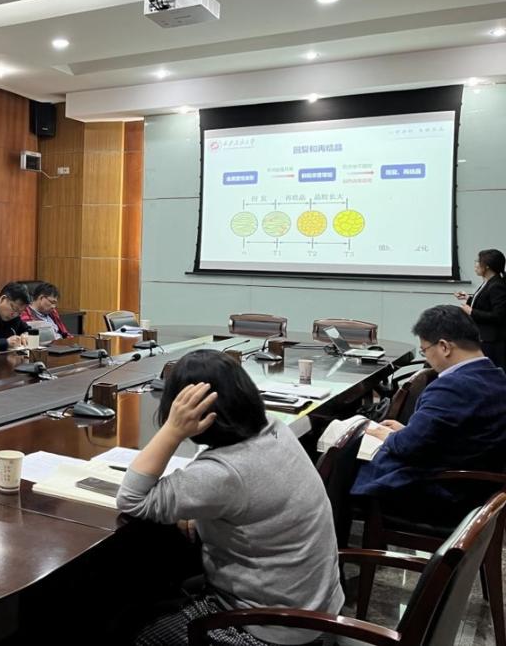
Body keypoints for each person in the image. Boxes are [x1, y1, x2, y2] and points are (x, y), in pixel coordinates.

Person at [117, 349, 342, 646]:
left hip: (270, 628)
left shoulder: (222, 474)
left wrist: (172, 430)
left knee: (131, 629)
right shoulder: (274, 428)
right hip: (315, 606)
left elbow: (131, 499)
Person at [352, 304, 506, 515]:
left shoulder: (452, 387)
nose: (426, 358)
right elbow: (456, 431)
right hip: (479, 489)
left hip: (442, 492)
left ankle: (335, 532)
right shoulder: (497, 377)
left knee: (342, 462)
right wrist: (407, 431)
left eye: (425, 350)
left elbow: (407, 446)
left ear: (444, 347)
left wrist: (390, 436)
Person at [455, 248, 506, 369]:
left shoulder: (497, 285)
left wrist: (471, 312)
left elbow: (499, 315)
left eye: (478, 261)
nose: (476, 264)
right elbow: (486, 303)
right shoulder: (488, 282)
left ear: (487, 266)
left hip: (492, 342)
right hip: (484, 338)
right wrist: (468, 298)